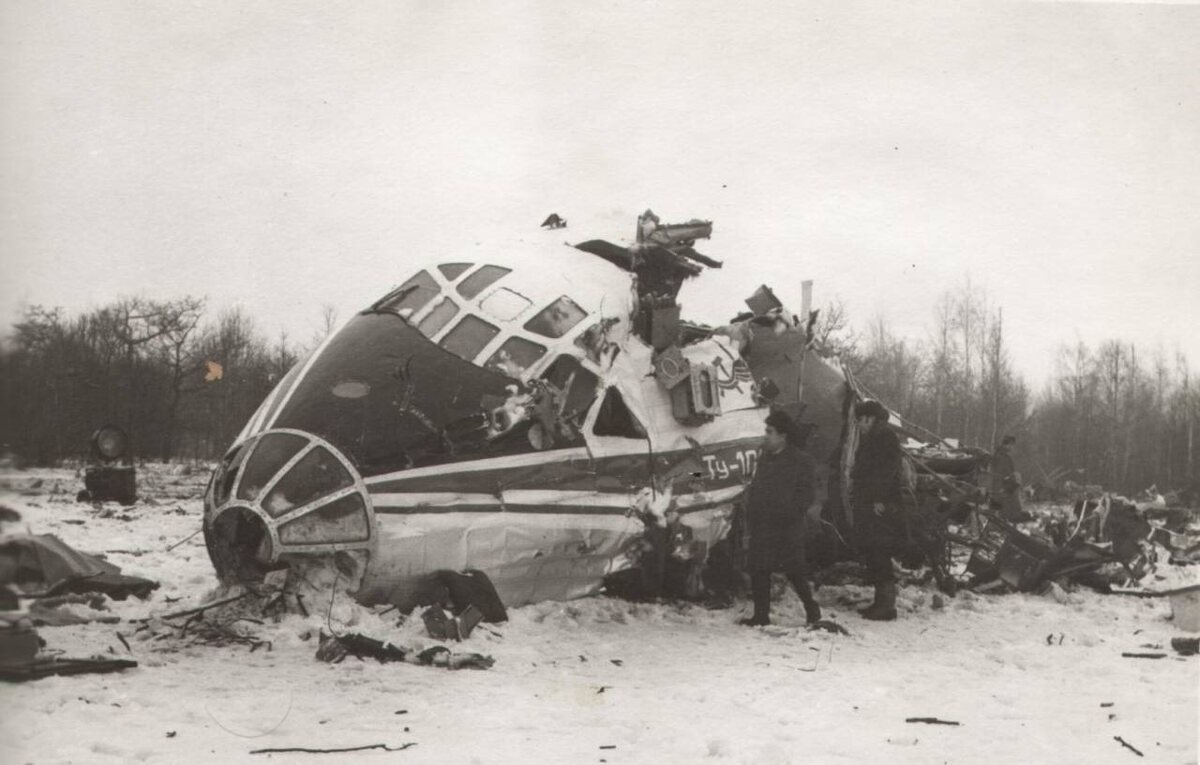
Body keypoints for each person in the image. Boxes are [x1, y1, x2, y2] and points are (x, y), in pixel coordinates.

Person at [739, 410, 822, 626]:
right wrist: (752, 512)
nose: (765, 436)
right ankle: (761, 616)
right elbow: (756, 487)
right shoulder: (765, 458)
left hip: (787, 526)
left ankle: (812, 609)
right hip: (763, 524)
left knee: (794, 571)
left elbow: (807, 494)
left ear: (783, 436)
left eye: (769, 432)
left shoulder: (801, 460)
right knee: (759, 569)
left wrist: (791, 513)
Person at [850, 399, 904, 621]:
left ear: (870, 419)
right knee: (874, 551)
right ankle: (880, 602)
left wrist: (879, 498)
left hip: (879, 505)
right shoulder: (875, 436)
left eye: (861, 420)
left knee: (880, 551)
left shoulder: (885, 437)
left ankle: (887, 606)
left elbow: (887, 471)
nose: (859, 425)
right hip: (869, 502)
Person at [990, 435, 1026, 521]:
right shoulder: (1002, 457)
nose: (1012, 447)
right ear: (1007, 444)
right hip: (1002, 488)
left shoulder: (1000, 455)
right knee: (1007, 513)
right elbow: (1001, 474)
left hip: (1001, 487)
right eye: (1011, 445)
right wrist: (1012, 481)